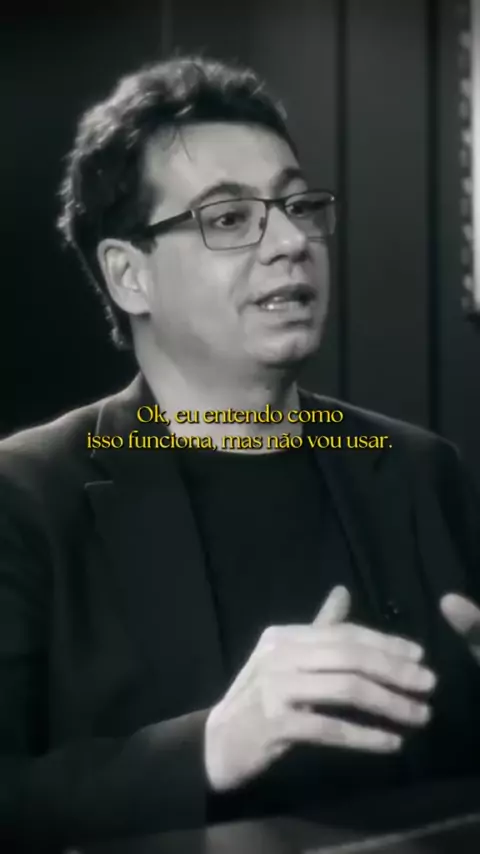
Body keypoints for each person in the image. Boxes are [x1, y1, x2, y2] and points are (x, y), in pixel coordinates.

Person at [0, 54, 479, 852]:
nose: (291, 241)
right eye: (228, 219)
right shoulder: (23, 498)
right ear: (128, 275)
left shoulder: (420, 468)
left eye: (298, 205)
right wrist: (211, 746)